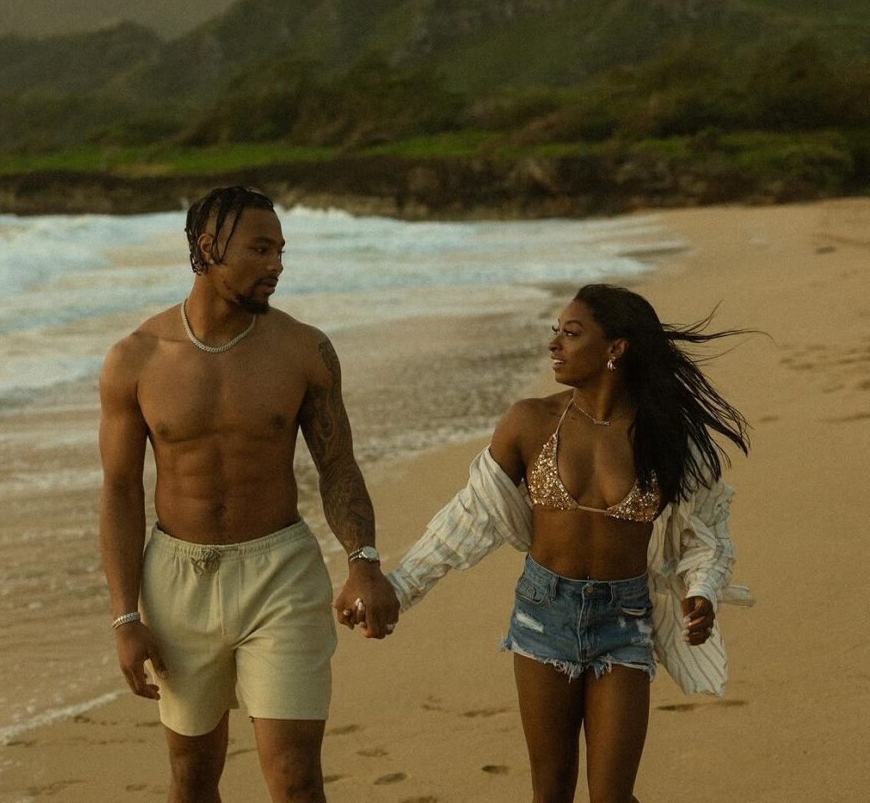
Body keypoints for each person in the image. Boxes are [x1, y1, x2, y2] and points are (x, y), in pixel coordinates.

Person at [384, 283, 753, 803]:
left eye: (572, 333)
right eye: (555, 331)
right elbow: (468, 513)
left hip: (624, 621)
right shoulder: (530, 422)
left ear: (615, 349)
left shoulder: (666, 436)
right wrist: (398, 588)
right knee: (551, 791)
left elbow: (704, 533)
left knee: (612, 797)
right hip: (543, 616)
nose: (555, 344)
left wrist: (704, 590)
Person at [99, 186, 400, 803]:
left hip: (280, 574)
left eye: (281, 250)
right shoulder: (136, 358)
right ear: (208, 249)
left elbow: (337, 465)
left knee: (295, 777)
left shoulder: (304, 350)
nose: (277, 265)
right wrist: (126, 616)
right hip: (178, 579)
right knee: (192, 777)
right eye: (261, 249)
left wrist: (364, 561)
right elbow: (123, 491)